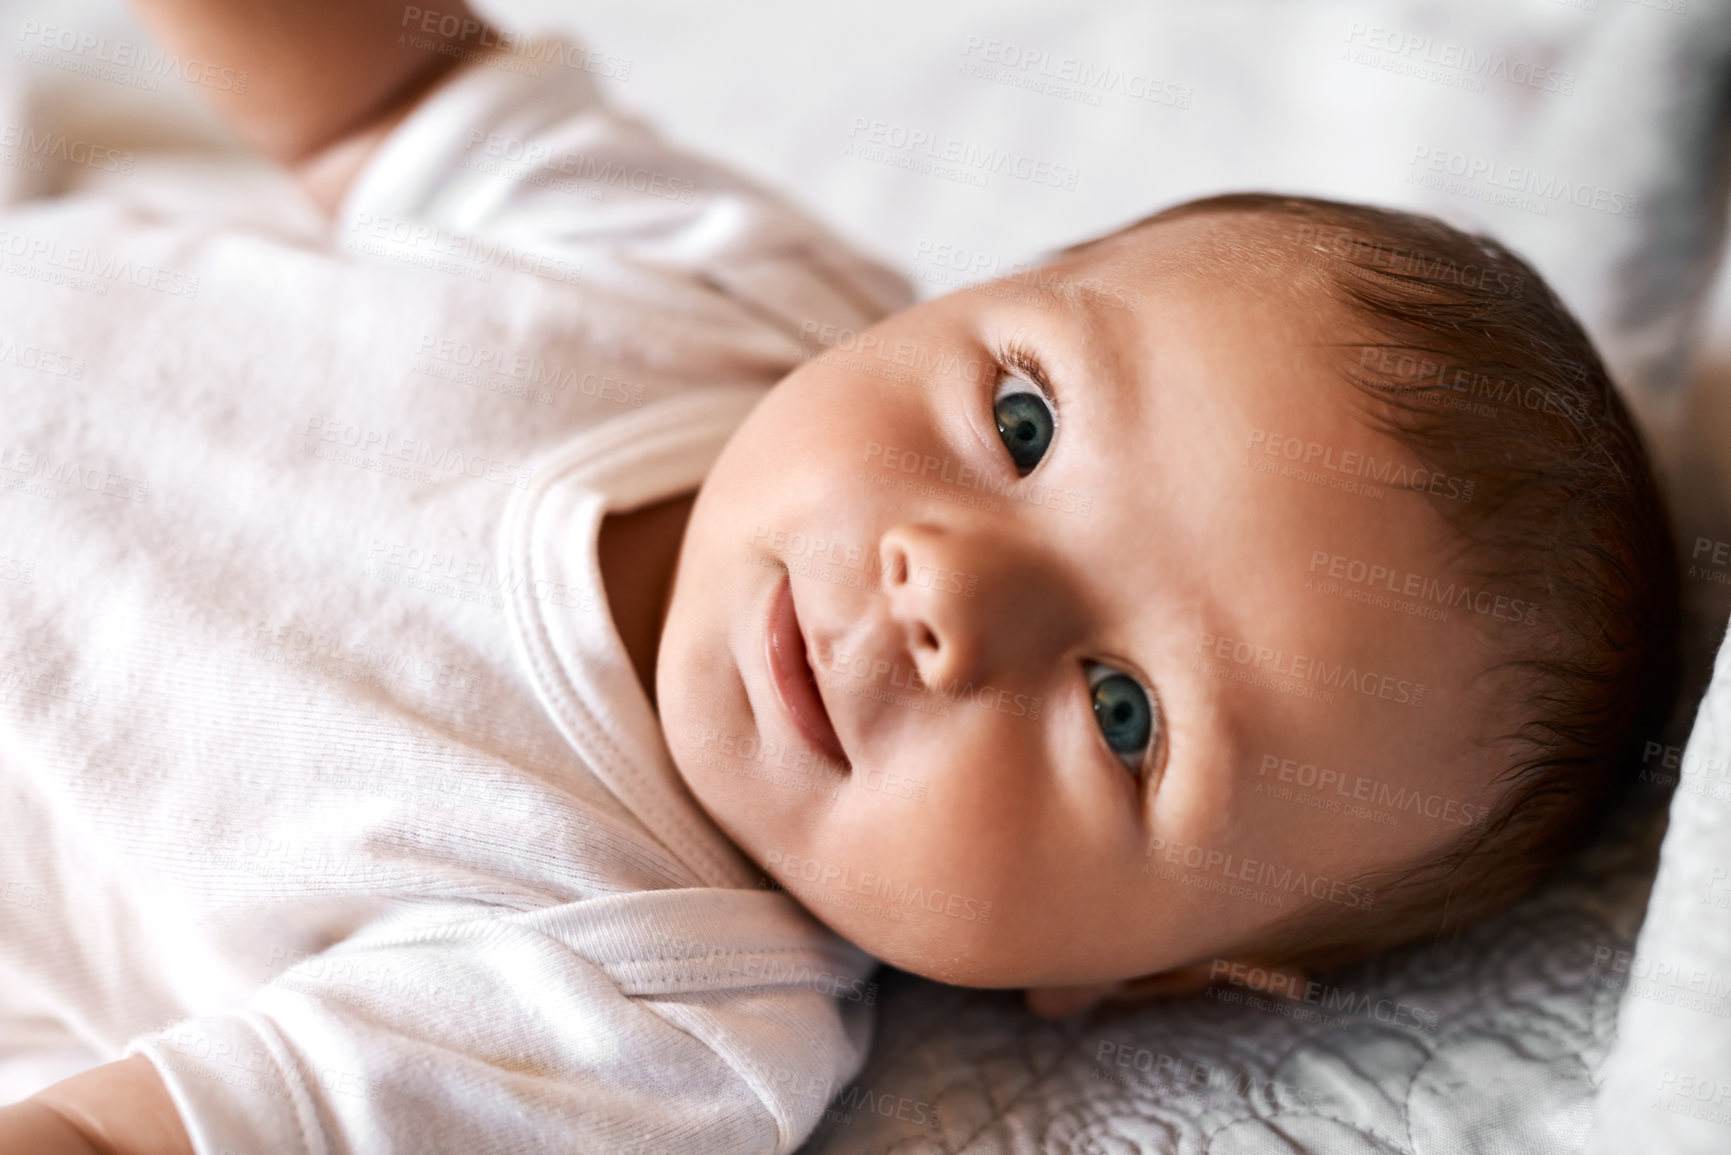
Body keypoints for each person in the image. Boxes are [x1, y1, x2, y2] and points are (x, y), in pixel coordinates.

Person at [0, 1, 1679, 1152]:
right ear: (971, 290)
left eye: (1121, 715)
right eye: (1022, 418)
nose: (948, 595)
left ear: (1138, 974)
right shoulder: (736, 300)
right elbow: (386, 88)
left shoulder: (639, 1019)